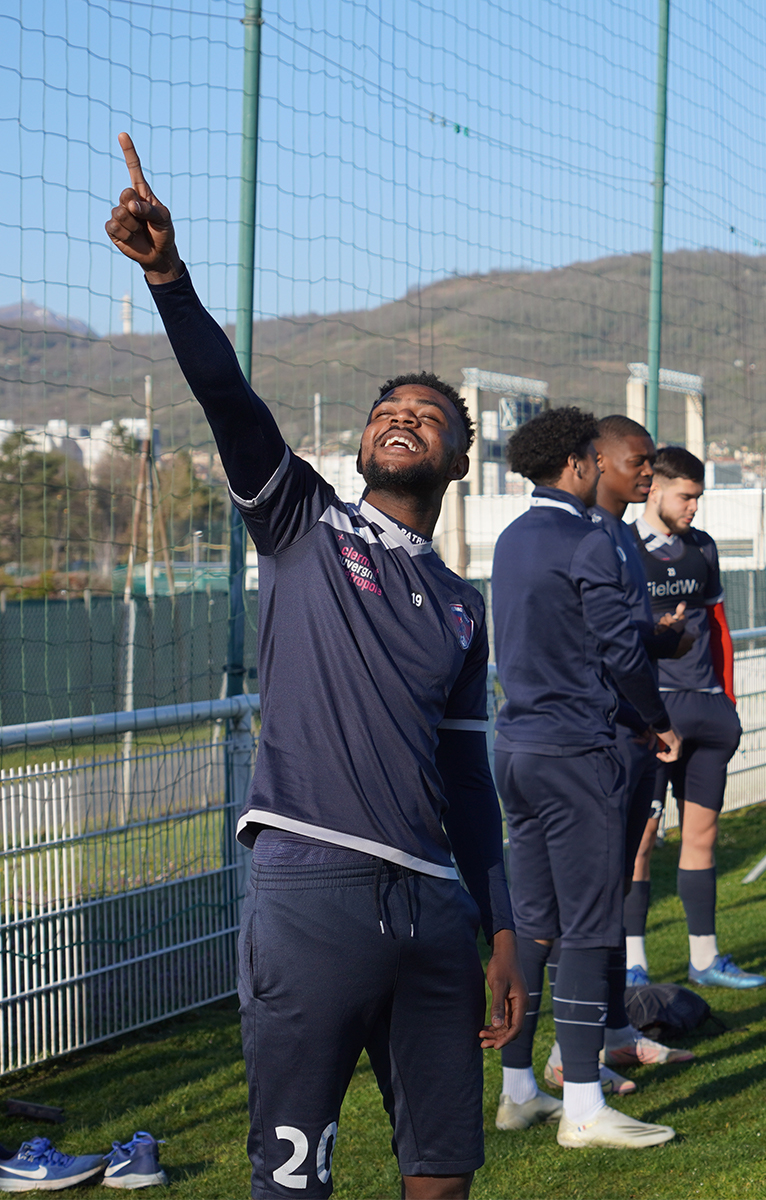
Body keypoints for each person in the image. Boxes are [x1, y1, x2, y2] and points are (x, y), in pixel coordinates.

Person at [105, 135, 523, 1200]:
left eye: (427, 416)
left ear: (459, 457)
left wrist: (504, 927)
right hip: (312, 887)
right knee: (295, 1178)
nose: (402, 419)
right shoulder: (303, 522)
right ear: (362, 445)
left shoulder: (463, 604)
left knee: (444, 1171)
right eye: (388, 412)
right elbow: (230, 401)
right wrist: (169, 279)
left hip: (434, 908)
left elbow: (468, 777)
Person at [491, 406, 683, 1151]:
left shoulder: (512, 536)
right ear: (577, 464)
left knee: (535, 923)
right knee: (587, 929)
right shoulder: (588, 539)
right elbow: (618, 650)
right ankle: (582, 1107)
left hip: (518, 748)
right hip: (576, 753)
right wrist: (657, 720)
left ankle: (517, 1091)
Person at [630, 447, 766, 989]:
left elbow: (720, 629)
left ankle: (705, 959)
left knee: (702, 835)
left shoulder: (703, 547)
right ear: (655, 489)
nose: (693, 507)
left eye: (698, 498)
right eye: (686, 496)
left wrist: (727, 701)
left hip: (706, 709)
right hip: (652, 715)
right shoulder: (622, 547)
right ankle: (633, 963)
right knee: (640, 840)